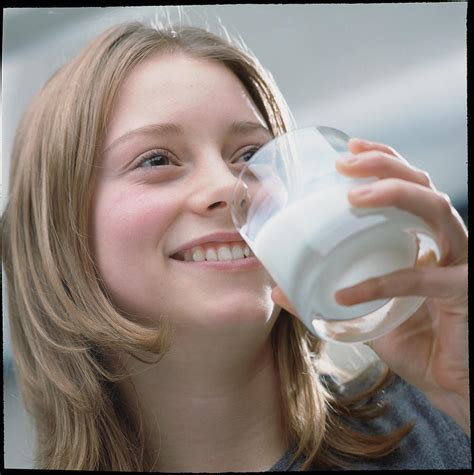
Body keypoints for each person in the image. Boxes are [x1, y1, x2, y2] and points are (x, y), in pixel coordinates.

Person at [1, 21, 470, 472]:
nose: (229, 186)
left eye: (250, 155)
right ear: (54, 237)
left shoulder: (443, 419)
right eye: (157, 159)